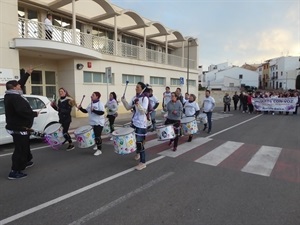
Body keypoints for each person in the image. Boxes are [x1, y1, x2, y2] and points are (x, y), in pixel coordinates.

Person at [5, 67, 39, 179]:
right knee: (20, 149)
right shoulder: (15, 98)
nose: (21, 86)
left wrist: (27, 74)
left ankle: (26, 160)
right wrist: (33, 114)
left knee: (25, 146)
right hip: (19, 128)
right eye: (19, 86)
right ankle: (14, 171)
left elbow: (20, 83)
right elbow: (21, 111)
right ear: (15, 88)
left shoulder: (10, 94)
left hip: (20, 127)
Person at [121, 82, 149, 170]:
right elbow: (128, 107)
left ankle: (143, 162)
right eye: (136, 87)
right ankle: (138, 153)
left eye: (137, 87)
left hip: (141, 123)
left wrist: (138, 104)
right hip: (134, 121)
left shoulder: (145, 98)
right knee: (133, 139)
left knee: (139, 142)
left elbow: (143, 111)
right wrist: (124, 100)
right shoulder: (135, 97)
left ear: (142, 88)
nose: (136, 88)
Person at [78, 92, 105, 156]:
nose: (91, 96)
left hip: (99, 123)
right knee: (94, 136)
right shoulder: (90, 104)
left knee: (97, 136)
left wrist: (94, 111)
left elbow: (102, 112)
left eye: (93, 95)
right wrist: (80, 108)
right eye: (92, 95)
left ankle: (99, 150)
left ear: (97, 96)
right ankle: (97, 144)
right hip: (92, 122)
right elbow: (85, 111)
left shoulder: (100, 104)